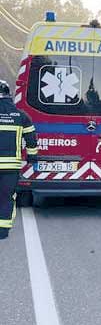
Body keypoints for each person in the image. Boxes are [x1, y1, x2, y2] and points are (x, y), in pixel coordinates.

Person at [0, 80, 38, 239]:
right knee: (7, 197)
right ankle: (2, 230)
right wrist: (32, 157)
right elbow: (31, 139)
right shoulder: (21, 116)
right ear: (9, 94)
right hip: (11, 168)